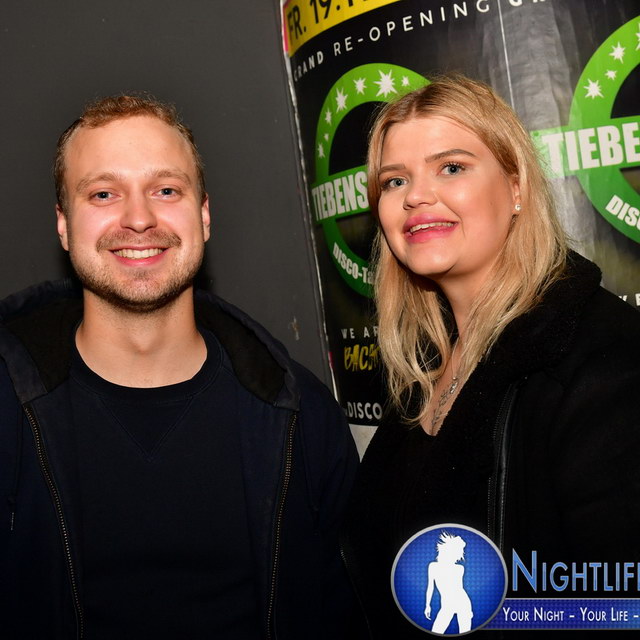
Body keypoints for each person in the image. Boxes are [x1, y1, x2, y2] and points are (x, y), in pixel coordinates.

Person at [0, 94, 358, 639]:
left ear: (204, 215)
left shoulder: (301, 417)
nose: (139, 219)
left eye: (166, 190)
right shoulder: (7, 412)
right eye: (103, 193)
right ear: (64, 225)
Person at [341, 74, 640, 637]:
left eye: (451, 167)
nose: (415, 196)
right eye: (394, 180)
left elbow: (621, 608)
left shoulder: (605, 363)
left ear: (516, 185)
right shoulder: (422, 367)